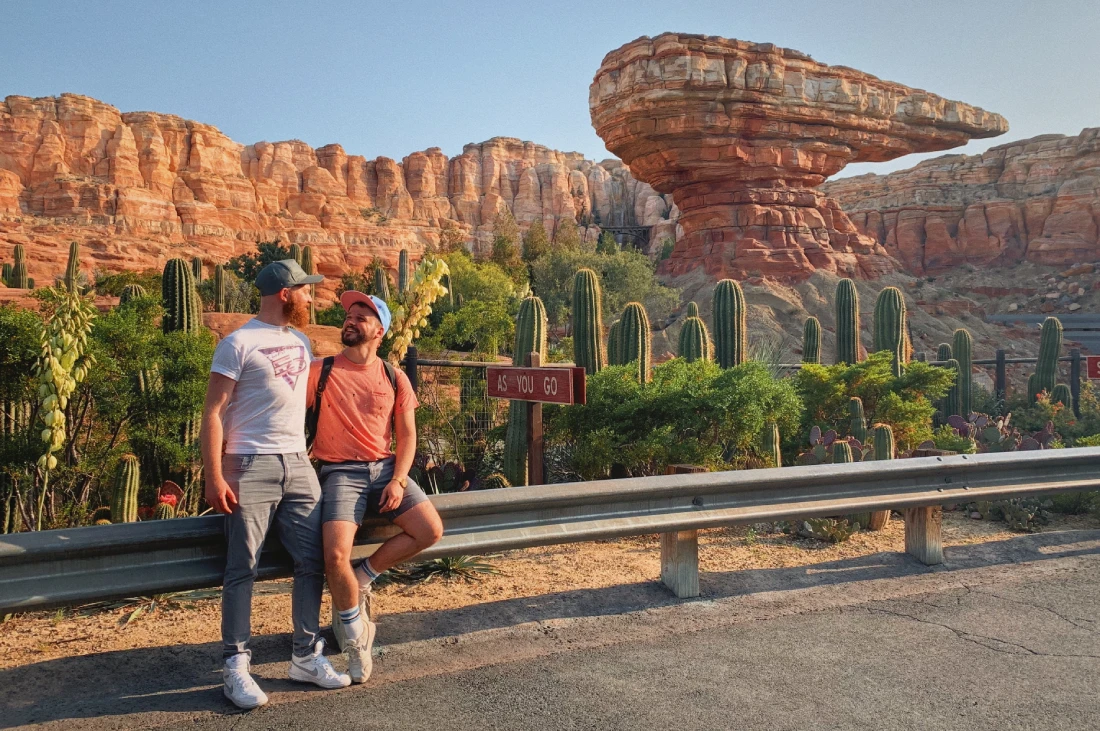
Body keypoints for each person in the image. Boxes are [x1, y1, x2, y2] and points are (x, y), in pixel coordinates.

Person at [200, 259, 351, 710]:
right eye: (305, 290)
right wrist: (213, 475)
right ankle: (235, 666)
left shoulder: (301, 342)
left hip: (298, 463)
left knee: (311, 561)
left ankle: (304, 656)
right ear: (285, 293)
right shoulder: (237, 343)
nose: (311, 297)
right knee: (241, 566)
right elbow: (212, 413)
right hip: (248, 464)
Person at [307, 290, 443, 684]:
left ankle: (364, 576)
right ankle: (355, 639)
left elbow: (408, 436)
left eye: (361, 317)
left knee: (430, 530)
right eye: (349, 316)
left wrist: (399, 480)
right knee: (334, 555)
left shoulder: (393, 376)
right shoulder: (321, 371)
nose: (350, 321)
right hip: (339, 472)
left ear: (379, 331)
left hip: (384, 469)